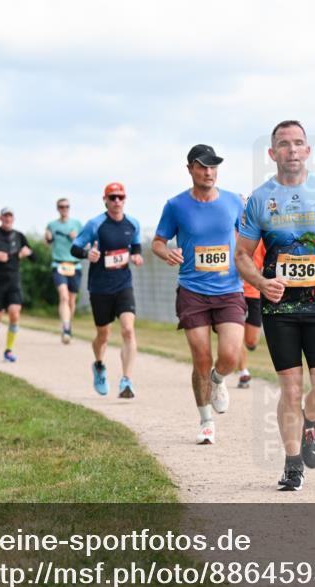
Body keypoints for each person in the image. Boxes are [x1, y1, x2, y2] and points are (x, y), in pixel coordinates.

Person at [236, 120, 315, 491]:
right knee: (290, 390)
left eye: (298, 143)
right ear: (272, 153)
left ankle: (309, 421)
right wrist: (260, 282)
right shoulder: (260, 199)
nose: (292, 150)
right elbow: (242, 255)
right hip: (279, 311)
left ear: (308, 151)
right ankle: (293, 464)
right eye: (284, 144)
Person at [152, 145, 245, 445]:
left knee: (229, 356)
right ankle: (205, 421)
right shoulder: (176, 205)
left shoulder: (233, 202)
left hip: (229, 289)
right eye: (202, 166)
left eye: (213, 166)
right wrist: (166, 252)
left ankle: (218, 381)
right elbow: (157, 241)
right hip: (193, 291)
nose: (209, 172)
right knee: (201, 357)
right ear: (190, 169)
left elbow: (250, 236)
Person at [71, 183, 143, 397]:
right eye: (112, 197)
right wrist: (87, 255)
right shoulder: (95, 224)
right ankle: (99, 365)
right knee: (103, 335)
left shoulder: (133, 223)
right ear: (105, 200)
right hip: (100, 287)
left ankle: (126, 381)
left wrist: (137, 256)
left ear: (125, 199)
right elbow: (75, 247)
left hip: (123, 284)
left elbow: (136, 246)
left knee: (128, 330)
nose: (117, 201)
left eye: (120, 197)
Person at [0, 207, 33, 362]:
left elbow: (33, 256)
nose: (7, 218)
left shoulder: (19, 236)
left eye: (10, 216)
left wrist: (28, 253)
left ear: (13, 218)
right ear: (1, 218)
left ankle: (9, 350)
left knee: (14, 313)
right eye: (5, 216)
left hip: (13, 281)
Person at [45, 198, 84, 343]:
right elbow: (46, 243)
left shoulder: (77, 224)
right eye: (61, 206)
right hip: (58, 264)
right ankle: (66, 327)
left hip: (75, 265)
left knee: (72, 300)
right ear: (57, 208)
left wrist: (77, 238)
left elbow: (85, 243)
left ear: (69, 208)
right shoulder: (51, 225)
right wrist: (48, 238)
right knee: (64, 297)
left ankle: (69, 324)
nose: (64, 209)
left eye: (66, 206)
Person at [237, 231, 266, 388]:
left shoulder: (259, 237)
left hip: (254, 291)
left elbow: (268, 260)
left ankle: (249, 346)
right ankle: (243, 372)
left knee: (251, 340)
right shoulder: (230, 233)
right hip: (233, 292)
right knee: (237, 334)